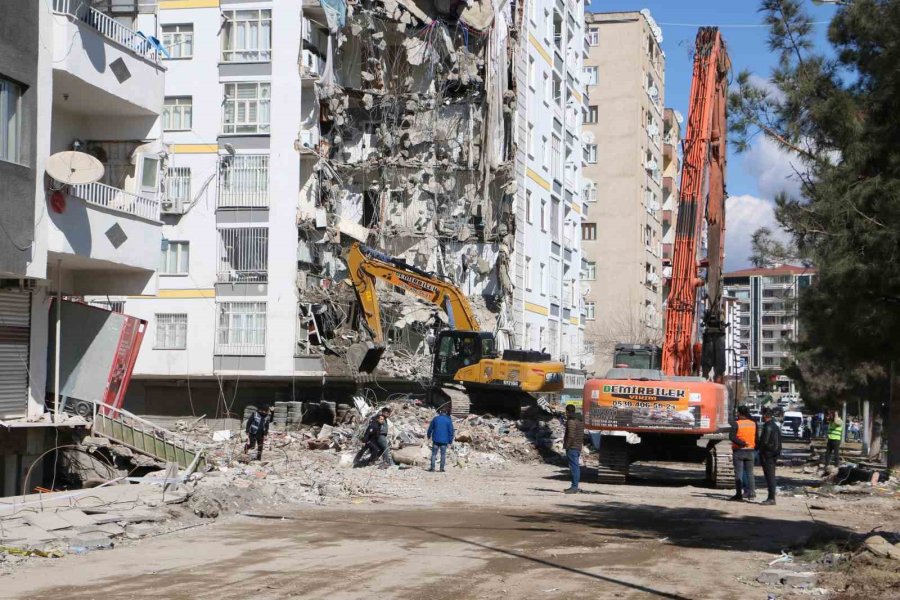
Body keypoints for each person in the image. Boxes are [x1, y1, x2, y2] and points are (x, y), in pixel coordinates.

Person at [729, 405, 757, 502]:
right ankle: (752, 493)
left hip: (739, 451)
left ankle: (738, 495)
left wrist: (741, 443)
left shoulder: (736, 424)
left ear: (739, 413)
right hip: (750, 451)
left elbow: (732, 437)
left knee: (739, 473)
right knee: (750, 473)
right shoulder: (753, 423)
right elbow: (756, 437)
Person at [757, 407, 782, 505]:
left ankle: (771, 498)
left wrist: (759, 450)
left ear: (765, 415)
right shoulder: (775, 425)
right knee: (770, 476)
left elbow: (765, 442)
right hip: (773, 453)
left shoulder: (768, 426)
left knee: (770, 477)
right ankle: (771, 497)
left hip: (768, 455)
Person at [562, 404, 584, 494]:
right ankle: (574, 486)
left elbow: (571, 436)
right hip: (578, 446)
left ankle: (574, 487)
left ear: (567, 411)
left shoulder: (571, 421)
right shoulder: (580, 420)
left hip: (572, 447)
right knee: (575, 467)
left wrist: (567, 446)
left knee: (574, 467)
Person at [426, 407, 454, 472]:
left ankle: (432, 468)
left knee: (433, 454)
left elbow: (430, 428)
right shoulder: (448, 420)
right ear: (446, 412)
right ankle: (441, 469)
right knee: (443, 454)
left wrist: (428, 435)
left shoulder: (435, 419)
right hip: (444, 441)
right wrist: (450, 441)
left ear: (440, 412)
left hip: (436, 440)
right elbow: (451, 431)